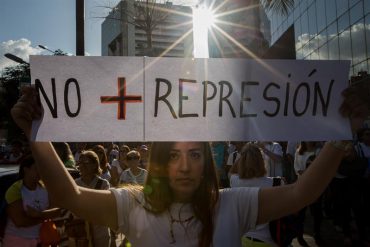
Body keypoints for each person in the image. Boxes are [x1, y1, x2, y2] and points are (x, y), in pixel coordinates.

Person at [10, 80, 370, 246]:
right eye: (173, 155)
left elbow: (301, 193)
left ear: (207, 163)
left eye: (195, 154)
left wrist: (342, 133)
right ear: (159, 163)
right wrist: (36, 133)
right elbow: (68, 196)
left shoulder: (233, 204)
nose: (184, 166)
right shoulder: (131, 204)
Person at [229, 142, 284, 246]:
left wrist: (244, 154)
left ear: (242, 161)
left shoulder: (235, 181)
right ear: (261, 161)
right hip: (268, 240)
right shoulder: (276, 183)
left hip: (244, 239)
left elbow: (231, 171)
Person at [3, 155, 61, 247]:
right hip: (16, 242)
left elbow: (57, 211)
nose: (41, 172)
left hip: (43, 241)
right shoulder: (15, 190)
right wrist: (45, 215)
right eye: (37, 168)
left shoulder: (46, 188)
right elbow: (20, 222)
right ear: (26, 170)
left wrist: (39, 214)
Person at [73, 150, 111, 247]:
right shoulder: (75, 184)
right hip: (81, 231)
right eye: (80, 163)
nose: (82, 166)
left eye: (86, 163)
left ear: (95, 165)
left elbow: (105, 206)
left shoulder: (103, 184)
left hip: (100, 230)